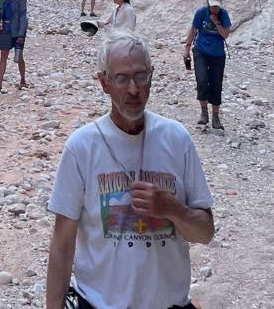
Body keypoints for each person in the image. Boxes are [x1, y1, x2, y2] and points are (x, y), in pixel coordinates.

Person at [45, 30, 214, 309]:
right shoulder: (82, 147)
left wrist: (173, 209)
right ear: (104, 83)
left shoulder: (177, 139)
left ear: (152, 75)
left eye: (140, 76)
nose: (133, 90)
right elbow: (62, 247)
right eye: (122, 79)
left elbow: (205, 233)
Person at [182, 0, 236, 131]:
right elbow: (193, 30)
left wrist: (216, 22)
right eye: (212, 6)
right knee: (202, 80)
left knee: (216, 84)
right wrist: (187, 48)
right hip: (201, 50)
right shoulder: (201, 13)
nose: (214, 8)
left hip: (217, 54)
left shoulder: (223, 15)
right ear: (207, 4)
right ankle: (204, 112)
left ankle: (216, 117)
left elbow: (225, 35)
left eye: (216, 6)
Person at [0, 0, 28, 91]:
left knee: (19, 56)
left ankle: (23, 79)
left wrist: (21, 34)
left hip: (17, 31)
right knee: (3, 55)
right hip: (6, 30)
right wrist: (0, 24)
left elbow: (23, 16)